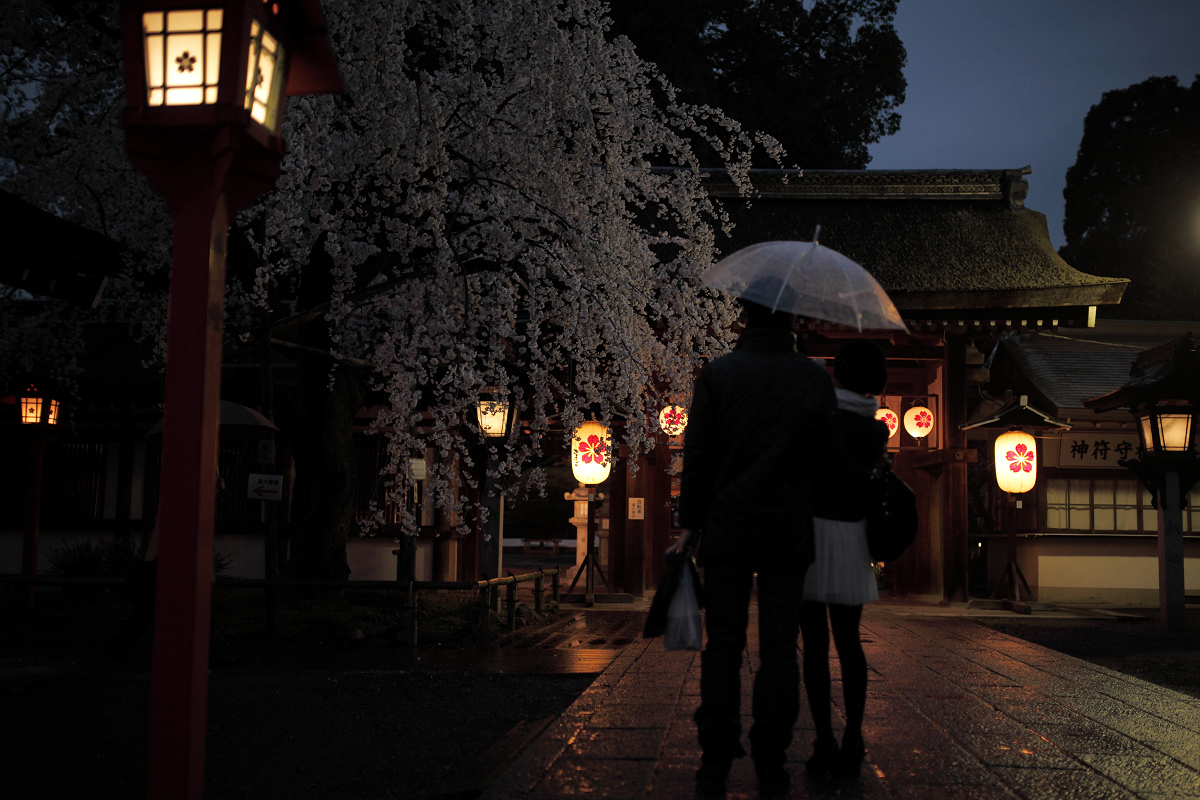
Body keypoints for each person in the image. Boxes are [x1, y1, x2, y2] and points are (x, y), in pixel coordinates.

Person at [673, 295, 839, 799]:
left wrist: (689, 525)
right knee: (779, 648)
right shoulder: (813, 379)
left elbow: (698, 456)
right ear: (791, 317)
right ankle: (772, 756)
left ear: (745, 315)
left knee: (722, 644)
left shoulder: (718, 374)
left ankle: (716, 754)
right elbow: (826, 463)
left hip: (727, 528)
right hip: (788, 530)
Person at [798, 340, 889, 780]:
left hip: (813, 534)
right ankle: (854, 735)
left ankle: (824, 738)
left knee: (813, 646)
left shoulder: (819, 417)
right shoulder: (876, 429)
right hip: (853, 537)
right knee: (849, 643)